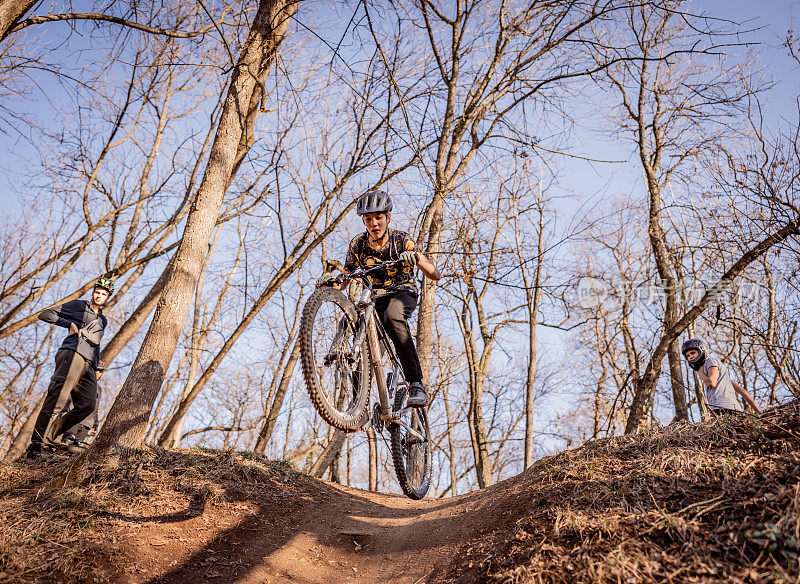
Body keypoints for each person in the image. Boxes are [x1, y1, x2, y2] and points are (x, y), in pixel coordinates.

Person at [318, 190, 441, 407]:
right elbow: (346, 277)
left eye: (378, 217)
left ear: (388, 218)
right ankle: (358, 403)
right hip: (373, 298)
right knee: (353, 322)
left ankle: (416, 384)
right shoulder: (358, 244)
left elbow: (434, 274)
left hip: (402, 292)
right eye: (368, 219)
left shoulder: (401, 240)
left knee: (393, 317)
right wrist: (330, 283)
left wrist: (416, 258)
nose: (374, 223)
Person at [26, 278, 113, 459]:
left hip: (89, 364)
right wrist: (69, 324)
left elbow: (96, 345)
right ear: (93, 292)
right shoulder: (79, 306)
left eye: (104, 294)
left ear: (107, 298)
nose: (99, 295)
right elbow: (45, 314)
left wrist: (96, 366)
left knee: (88, 404)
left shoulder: (102, 320)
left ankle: (48, 437)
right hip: (72, 354)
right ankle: (37, 445)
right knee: (58, 398)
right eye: (97, 292)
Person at [681, 338, 761, 416]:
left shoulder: (710, 360)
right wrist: (758, 412)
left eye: (693, 353)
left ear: (702, 350)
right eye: (688, 355)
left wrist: (699, 372)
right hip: (731, 409)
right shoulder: (722, 376)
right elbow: (742, 391)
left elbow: (712, 383)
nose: (690, 357)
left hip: (723, 408)